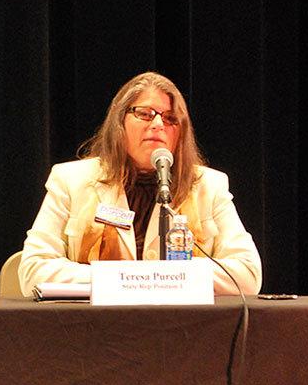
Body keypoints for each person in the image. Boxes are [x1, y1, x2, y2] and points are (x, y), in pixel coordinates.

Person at [19, 71, 261, 296]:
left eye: (170, 118)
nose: (157, 124)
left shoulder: (209, 185)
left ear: (181, 134)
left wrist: (165, 278)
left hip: (182, 329)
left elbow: (248, 275)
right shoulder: (71, 180)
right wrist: (124, 279)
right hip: (93, 329)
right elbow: (33, 270)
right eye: (144, 114)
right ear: (119, 122)